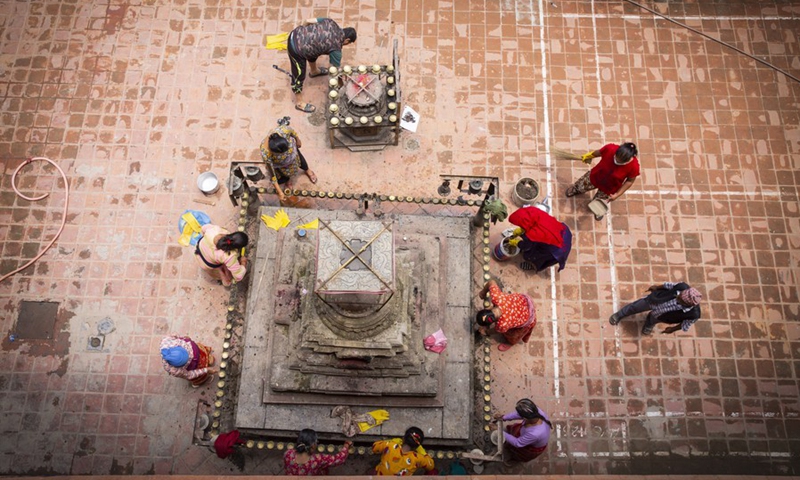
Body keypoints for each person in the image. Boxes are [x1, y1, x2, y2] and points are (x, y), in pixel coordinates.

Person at [287, 17, 357, 113]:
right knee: (299, 75)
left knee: (314, 50)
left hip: (295, 33)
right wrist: (341, 84)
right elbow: (334, 71)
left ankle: (314, 71)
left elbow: (308, 21)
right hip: (296, 49)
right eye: (348, 43)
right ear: (347, 40)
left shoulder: (331, 22)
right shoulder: (336, 48)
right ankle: (299, 103)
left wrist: (303, 35)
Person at [565, 142, 640, 220]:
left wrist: (617, 194)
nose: (617, 160)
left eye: (620, 161)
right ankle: (576, 190)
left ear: (628, 159)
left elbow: (629, 181)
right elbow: (598, 153)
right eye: (616, 157)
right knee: (581, 185)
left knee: (600, 202)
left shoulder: (634, 167)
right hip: (595, 176)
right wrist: (588, 156)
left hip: (609, 187)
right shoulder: (610, 148)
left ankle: (598, 209)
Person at [609, 282, 702, 335]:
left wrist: (672, 329)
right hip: (654, 301)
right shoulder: (682, 287)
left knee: (653, 320)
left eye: (680, 299)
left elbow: (684, 325)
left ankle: (649, 323)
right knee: (635, 307)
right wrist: (656, 287)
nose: (677, 297)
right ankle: (620, 314)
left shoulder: (694, 315)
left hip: (662, 316)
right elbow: (668, 285)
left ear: (687, 304)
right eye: (679, 295)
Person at [506, 206, 572, 273]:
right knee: (530, 240)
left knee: (533, 255)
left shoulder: (534, 234)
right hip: (562, 232)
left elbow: (526, 246)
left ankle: (532, 265)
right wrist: (522, 230)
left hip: (557, 249)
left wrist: (517, 243)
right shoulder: (535, 212)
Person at [260, 125, 317, 203]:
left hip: (293, 153)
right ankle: (288, 180)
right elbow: (272, 175)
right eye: (283, 153)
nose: (286, 154)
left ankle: (307, 170)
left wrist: (298, 140)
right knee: (283, 174)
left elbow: (292, 132)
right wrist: (280, 192)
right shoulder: (266, 154)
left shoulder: (283, 130)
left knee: (300, 159)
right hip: (281, 164)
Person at [476, 279, 537, 351]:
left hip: (529, 316)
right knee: (505, 296)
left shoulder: (502, 324)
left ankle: (510, 344)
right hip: (525, 301)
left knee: (513, 335)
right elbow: (491, 282)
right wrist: (483, 292)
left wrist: (486, 332)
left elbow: (496, 330)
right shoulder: (497, 297)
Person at [493, 398, 552, 463]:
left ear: (525, 418)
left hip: (530, 446)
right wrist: (503, 417)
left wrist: (499, 431)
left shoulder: (535, 433)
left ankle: (514, 459)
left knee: (519, 453)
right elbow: (517, 414)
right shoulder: (535, 412)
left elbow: (517, 443)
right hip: (525, 432)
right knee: (514, 432)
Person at [284, 428, 352, 476]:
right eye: (316, 442)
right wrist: (346, 445)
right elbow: (339, 459)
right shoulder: (317, 460)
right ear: (313, 446)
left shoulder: (288, 454)